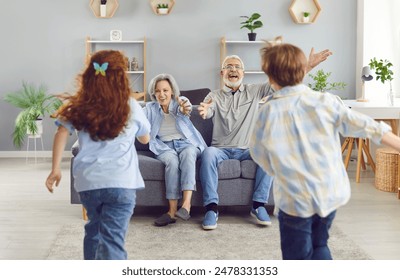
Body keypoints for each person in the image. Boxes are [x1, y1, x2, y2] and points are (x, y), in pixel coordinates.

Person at [249, 42, 400, 260]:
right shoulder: (326, 101)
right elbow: (369, 126)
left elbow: (257, 151)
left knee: (297, 258)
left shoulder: (268, 110)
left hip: (295, 201)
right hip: (328, 195)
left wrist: (275, 170)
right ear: (303, 71)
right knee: (320, 245)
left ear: (270, 78)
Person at [198, 39, 332, 230]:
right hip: (221, 149)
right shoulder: (214, 95)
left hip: (248, 148)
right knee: (208, 153)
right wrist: (204, 111)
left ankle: (258, 204)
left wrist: (308, 66)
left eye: (237, 67)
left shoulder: (255, 91)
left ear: (243, 73)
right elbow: (208, 110)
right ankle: (211, 208)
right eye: (229, 67)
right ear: (222, 73)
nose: (233, 70)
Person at [45, 50, 151, 260]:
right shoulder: (130, 106)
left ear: (90, 75)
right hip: (121, 183)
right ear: (121, 76)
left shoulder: (81, 104)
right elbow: (145, 139)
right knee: (113, 240)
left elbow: (61, 132)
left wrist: (55, 169)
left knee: (94, 230)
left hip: (89, 182)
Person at [144, 73, 207, 227]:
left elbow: (186, 108)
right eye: (158, 91)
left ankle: (186, 206)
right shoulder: (150, 108)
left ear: (172, 91)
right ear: (154, 93)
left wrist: (184, 108)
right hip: (164, 146)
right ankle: (171, 212)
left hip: (186, 143)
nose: (162, 94)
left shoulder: (180, 102)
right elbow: (138, 121)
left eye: (165, 90)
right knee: (172, 162)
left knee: (188, 154)